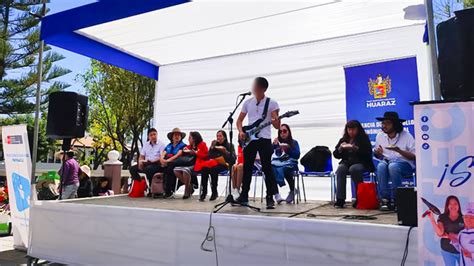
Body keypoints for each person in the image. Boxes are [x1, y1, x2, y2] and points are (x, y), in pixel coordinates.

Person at [236, 77, 280, 209]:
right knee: (247, 167)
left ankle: (270, 197)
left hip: (264, 138)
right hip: (250, 139)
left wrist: (276, 119)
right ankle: (244, 196)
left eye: (255, 86)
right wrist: (240, 132)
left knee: (267, 168)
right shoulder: (248, 102)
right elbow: (239, 121)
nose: (253, 88)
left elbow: (277, 126)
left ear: (263, 89)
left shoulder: (272, 103)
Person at [373, 111, 415, 211]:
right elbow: (378, 156)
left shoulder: (406, 136)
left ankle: (398, 200)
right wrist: (377, 153)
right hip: (387, 162)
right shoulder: (380, 136)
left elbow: (414, 156)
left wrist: (399, 150)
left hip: (405, 164)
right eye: (383, 123)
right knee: (381, 166)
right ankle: (385, 200)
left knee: (393, 166)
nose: (384, 126)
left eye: (387, 123)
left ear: (395, 124)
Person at [333, 120, 374, 208]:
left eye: (353, 130)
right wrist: (340, 148)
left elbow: (367, 154)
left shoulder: (364, 139)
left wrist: (356, 149)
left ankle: (359, 197)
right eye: (349, 129)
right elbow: (335, 155)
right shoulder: (343, 139)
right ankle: (340, 199)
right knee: (340, 169)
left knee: (354, 169)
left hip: (361, 163)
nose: (351, 132)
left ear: (358, 129)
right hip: (347, 163)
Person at [427, 195, 464, 266]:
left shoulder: (464, 218)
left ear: (459, 205)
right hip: (447, 250)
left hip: (461, 251)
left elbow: (467, 235)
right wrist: (432, 219)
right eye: (450, 204)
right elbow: (440, 232)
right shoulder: (442, 217)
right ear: (447, 206)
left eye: (455, 204)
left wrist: (452, 236)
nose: (453, 206)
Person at [200, 130, 236, 201]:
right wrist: (211, 147)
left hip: (225, 164)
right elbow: (209, 156)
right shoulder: (215, 145)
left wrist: (225, 152)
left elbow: (233, 159)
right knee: (204, 169)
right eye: (217, 136)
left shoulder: (230, 145)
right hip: (215, 163)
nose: (218, 138)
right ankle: (204, 192)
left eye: (220, 136)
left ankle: (214, 192)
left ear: (224, 137)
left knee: (214, 170)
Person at [173, 131, 208, 199]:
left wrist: (195, 153)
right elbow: (184, 152)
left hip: (198, 164)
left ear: (194, 139)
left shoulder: (202, 144)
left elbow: (206, 156)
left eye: (190, 137)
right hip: (189, 163)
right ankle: (189, 187)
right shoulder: (189, 146)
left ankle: (186, 191)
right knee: (175, 170)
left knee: (185, 171)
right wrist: (184, 150)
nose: (188, 139)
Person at [272, 124, 300, 204]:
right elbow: (271, 154)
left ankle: (292, 190)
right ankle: (276, 194)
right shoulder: (277, 143)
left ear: (288, 132)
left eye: (284, 131)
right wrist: (273, 146)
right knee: (271, 169)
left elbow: (297, 155)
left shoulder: (294, 142)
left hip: (290, 163)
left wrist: (288, 149)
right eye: (280, 131)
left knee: (286, 169)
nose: (282, 133)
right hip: (278, 162)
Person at [161, 128, 187, 196]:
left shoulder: (183, 145)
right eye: (175, 135)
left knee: (169, 169)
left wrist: (168, 160)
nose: (177, 136)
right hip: (168, 163)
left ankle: (169, 190)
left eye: (178, 135)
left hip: (177, 164)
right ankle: (161, 190)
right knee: (161, 168)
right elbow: (163, 153)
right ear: (172, 137)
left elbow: (178, 155)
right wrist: (162, 159)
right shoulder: (169, 145)